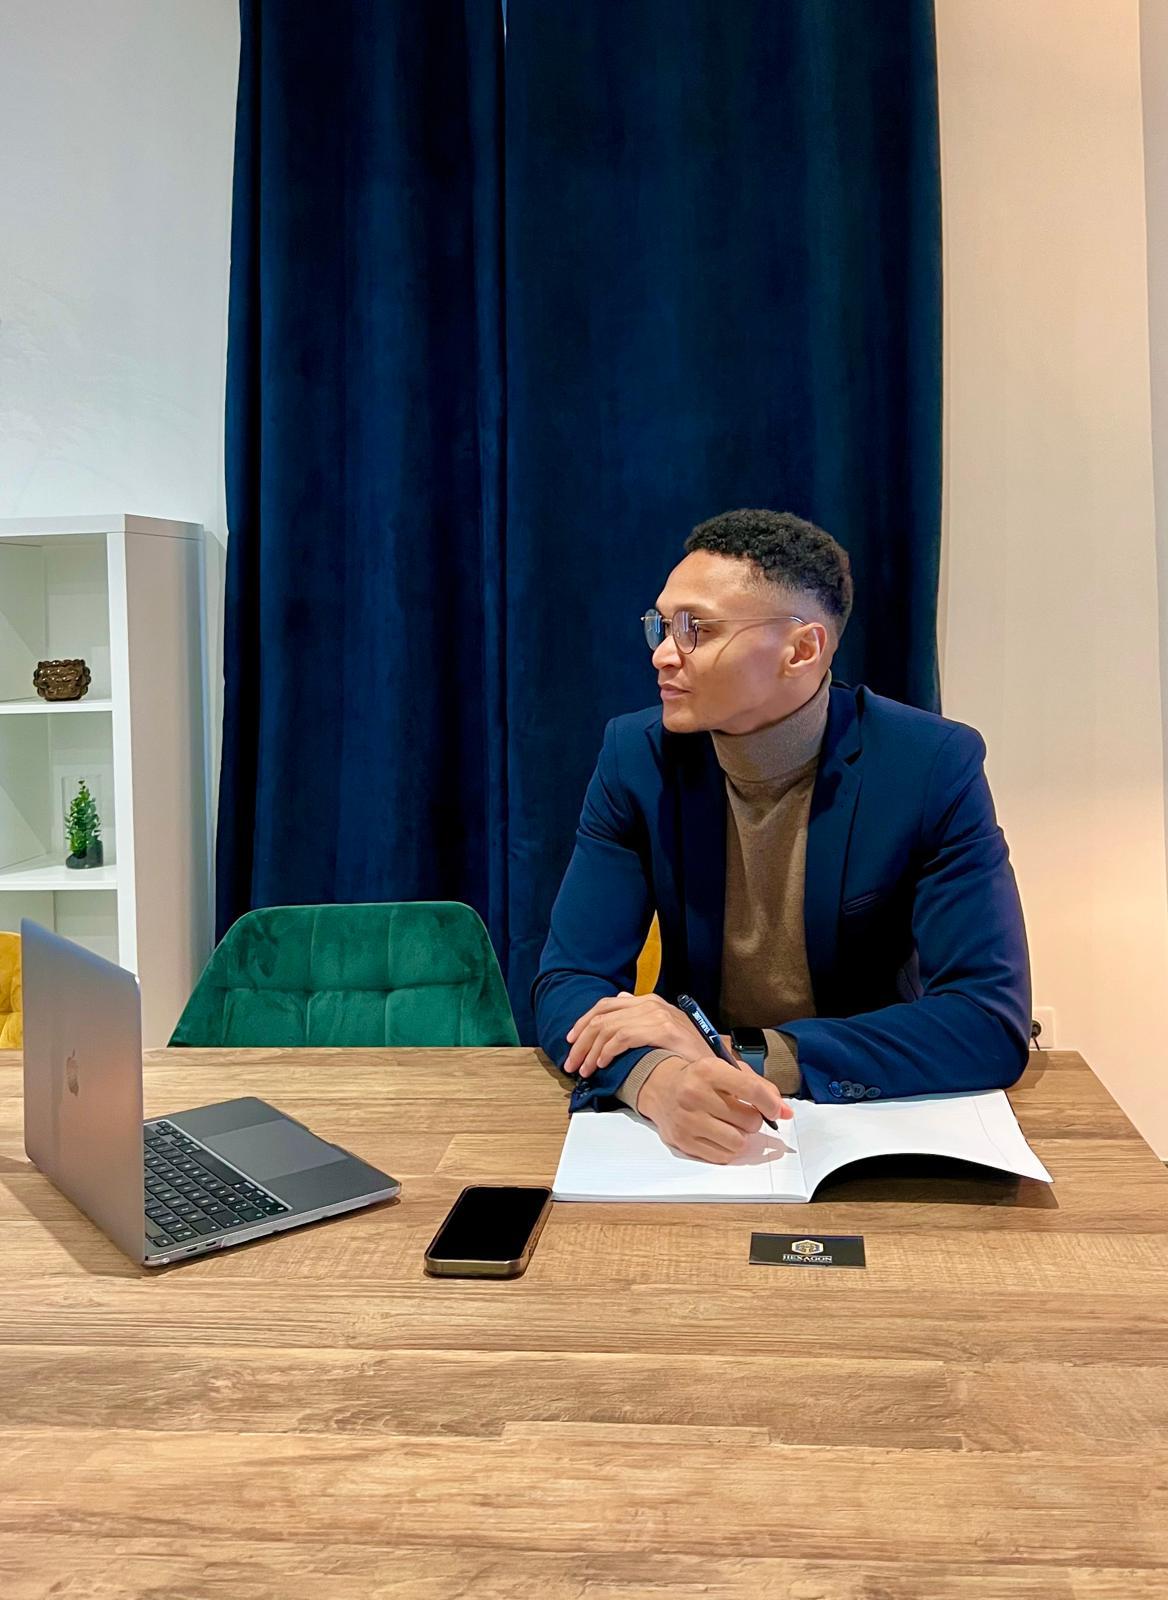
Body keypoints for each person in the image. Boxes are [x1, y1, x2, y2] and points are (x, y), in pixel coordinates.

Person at [532, 508, 1031, 1164]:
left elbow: (987, 1020)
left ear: (801, 650)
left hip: (870, 1110)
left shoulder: (930, 765)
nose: (662, 653)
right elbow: (570, 981)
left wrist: (740, 1055)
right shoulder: (636, 758)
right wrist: (656, 1079)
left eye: (695, 629)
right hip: (697, 1115)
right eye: (662, 624)